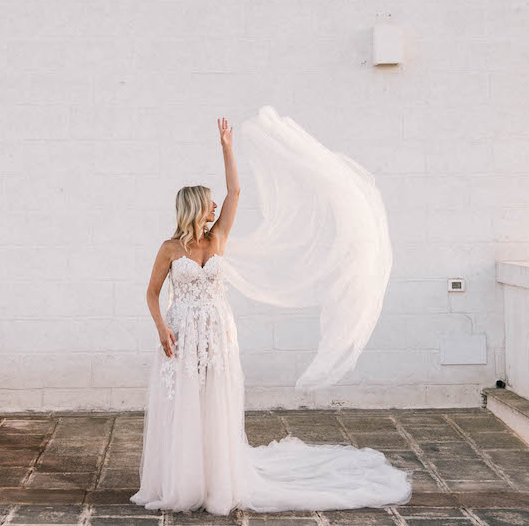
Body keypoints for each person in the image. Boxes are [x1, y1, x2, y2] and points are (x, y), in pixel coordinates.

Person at [130, 111, 412, 515]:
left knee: (214, 405)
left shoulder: (219, 238)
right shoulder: (170, 249)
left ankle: (216, 480)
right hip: (180, 335)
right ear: (193, 207)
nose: (213, 207)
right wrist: (161, 328)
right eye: (207, 203)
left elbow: (236, 193)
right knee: (184, 409)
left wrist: (228, 149)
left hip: (217, 332)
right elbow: (152, 292)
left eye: (213, 203)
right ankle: (182, 480)